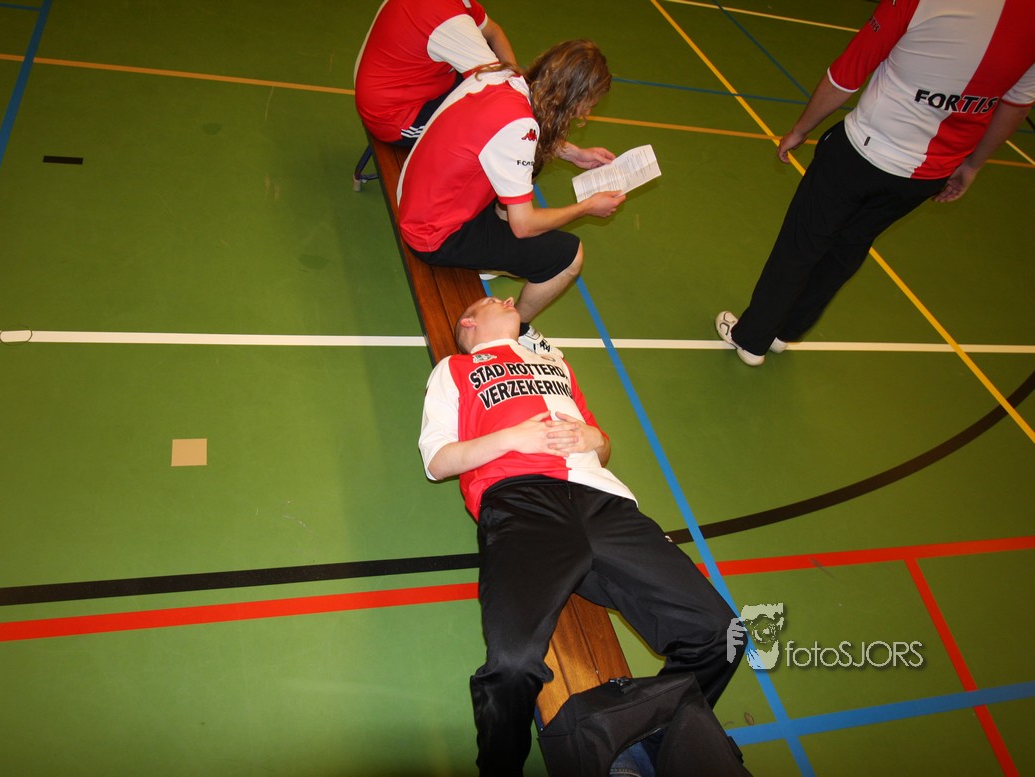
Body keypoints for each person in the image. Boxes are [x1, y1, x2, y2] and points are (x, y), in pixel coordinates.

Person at [419, 295, 741, 776]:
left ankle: (647, 736)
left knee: (721, 634)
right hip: (522, 504)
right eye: (492, 299)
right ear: (468, 322)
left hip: (604, 504)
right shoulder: (455, 369)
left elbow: (599, 445)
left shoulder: (555, 365)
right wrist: (510, 439)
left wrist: (598, 440)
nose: (506, 297)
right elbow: (437, 460)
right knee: (512, 665)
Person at [717, 0, 1035, 366]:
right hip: (927, 175)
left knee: (802, 243)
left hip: (862, 152)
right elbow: (1016, 105)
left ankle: (752, 339)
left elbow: (846, 74)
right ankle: (784, 333)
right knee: (848, 248)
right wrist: (974, 164)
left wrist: (801, 129)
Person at [398, 40, 624, 357]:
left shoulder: (502, 75)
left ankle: (490, 257)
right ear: (570, 96)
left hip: (417, 193)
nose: (585, 113)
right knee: (569, 256)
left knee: (528, 171)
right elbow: (524, 225)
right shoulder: (521, 127)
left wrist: (574, 153)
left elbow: (510, 133)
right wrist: (587, 207)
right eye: (586, 104)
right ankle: (516, 328)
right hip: (434, 233)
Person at [354, 0, 517, 147]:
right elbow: (496, 87)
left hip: (402, 88)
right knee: (489, 123)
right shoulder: (447, 20)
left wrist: (515, 76)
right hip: (396, 118)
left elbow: (494, 32)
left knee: (496, 92)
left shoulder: (459, 4)